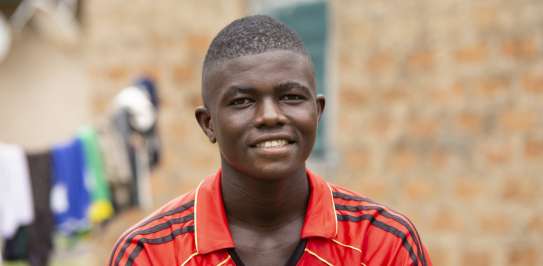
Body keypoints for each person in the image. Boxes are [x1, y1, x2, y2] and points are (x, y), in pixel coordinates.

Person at [109, 15, 432, 266]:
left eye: (291, 96)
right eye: (242, 101)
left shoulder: (381, 243)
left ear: (317, 112)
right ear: (209, 124)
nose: (270, 116)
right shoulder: (150, 252)